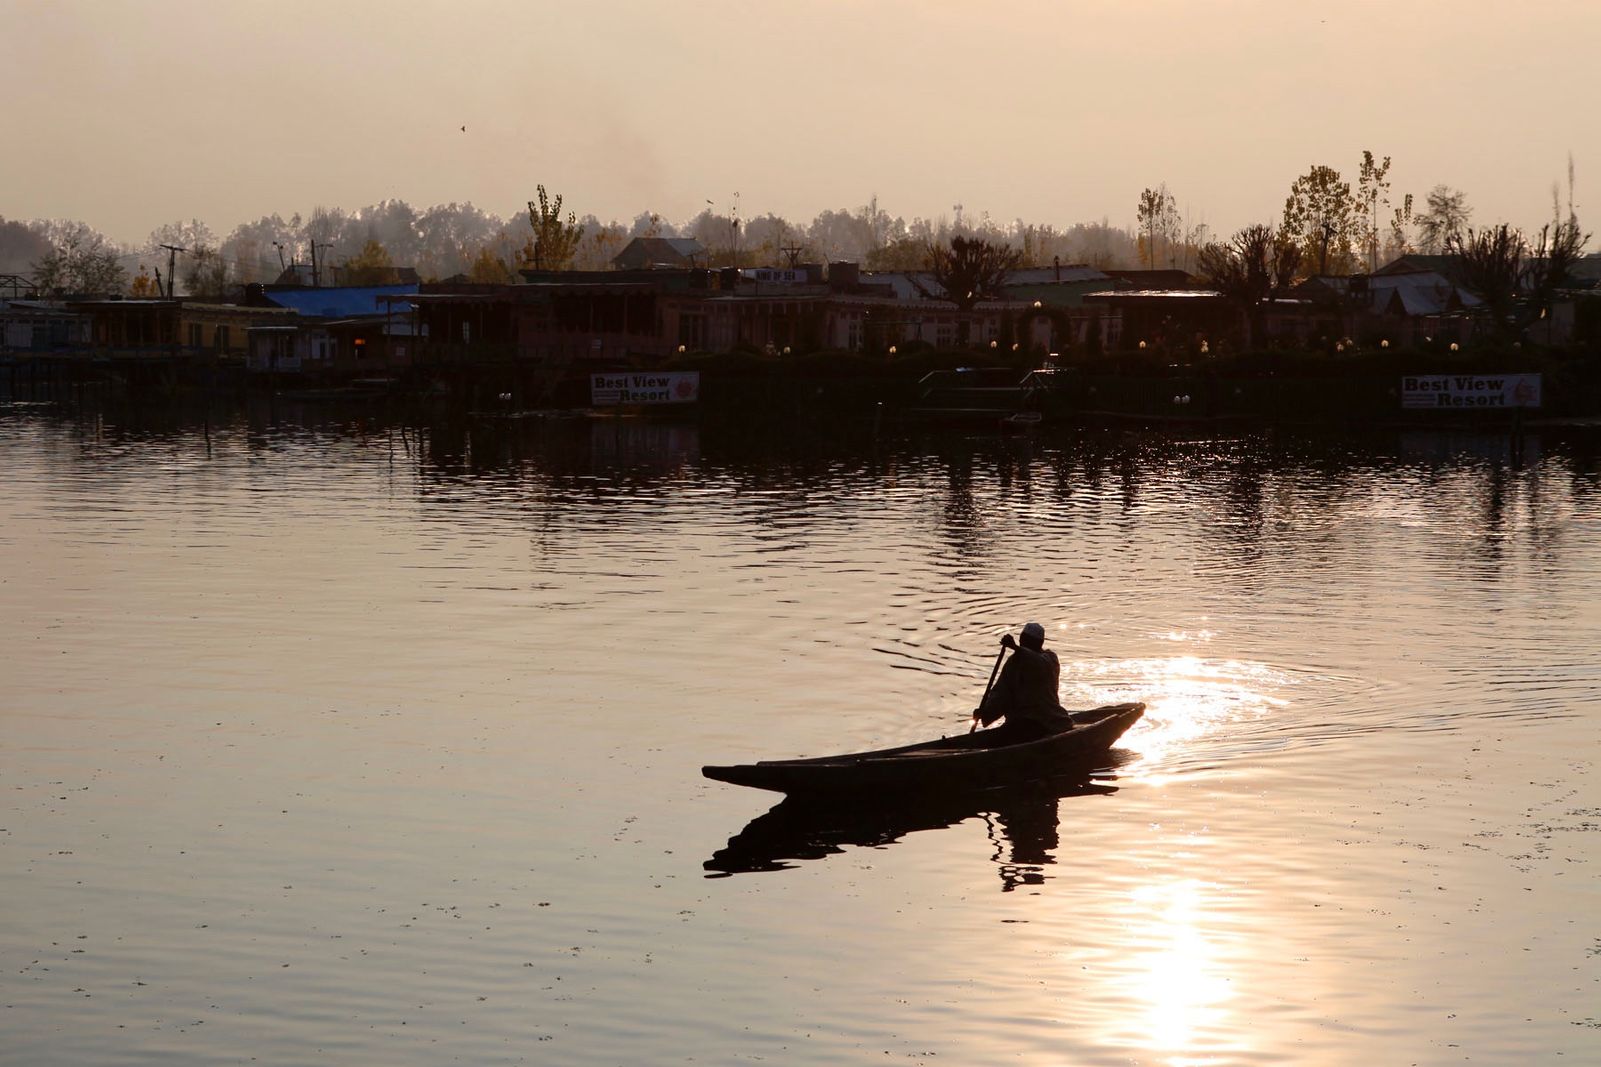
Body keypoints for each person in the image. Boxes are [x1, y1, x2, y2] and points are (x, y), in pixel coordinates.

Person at [973, 622, 1076, 741]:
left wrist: (1017, 648)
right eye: (1023, 639)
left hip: (1048, 720)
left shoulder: (1049, 659)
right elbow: (1001, 692)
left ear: (1039, 644)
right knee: (1006, 734)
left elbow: (1037, 663)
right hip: (1019, 721)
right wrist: (985, 712)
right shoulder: (1014, 662)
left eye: (1028, 641)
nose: (1023, 643)